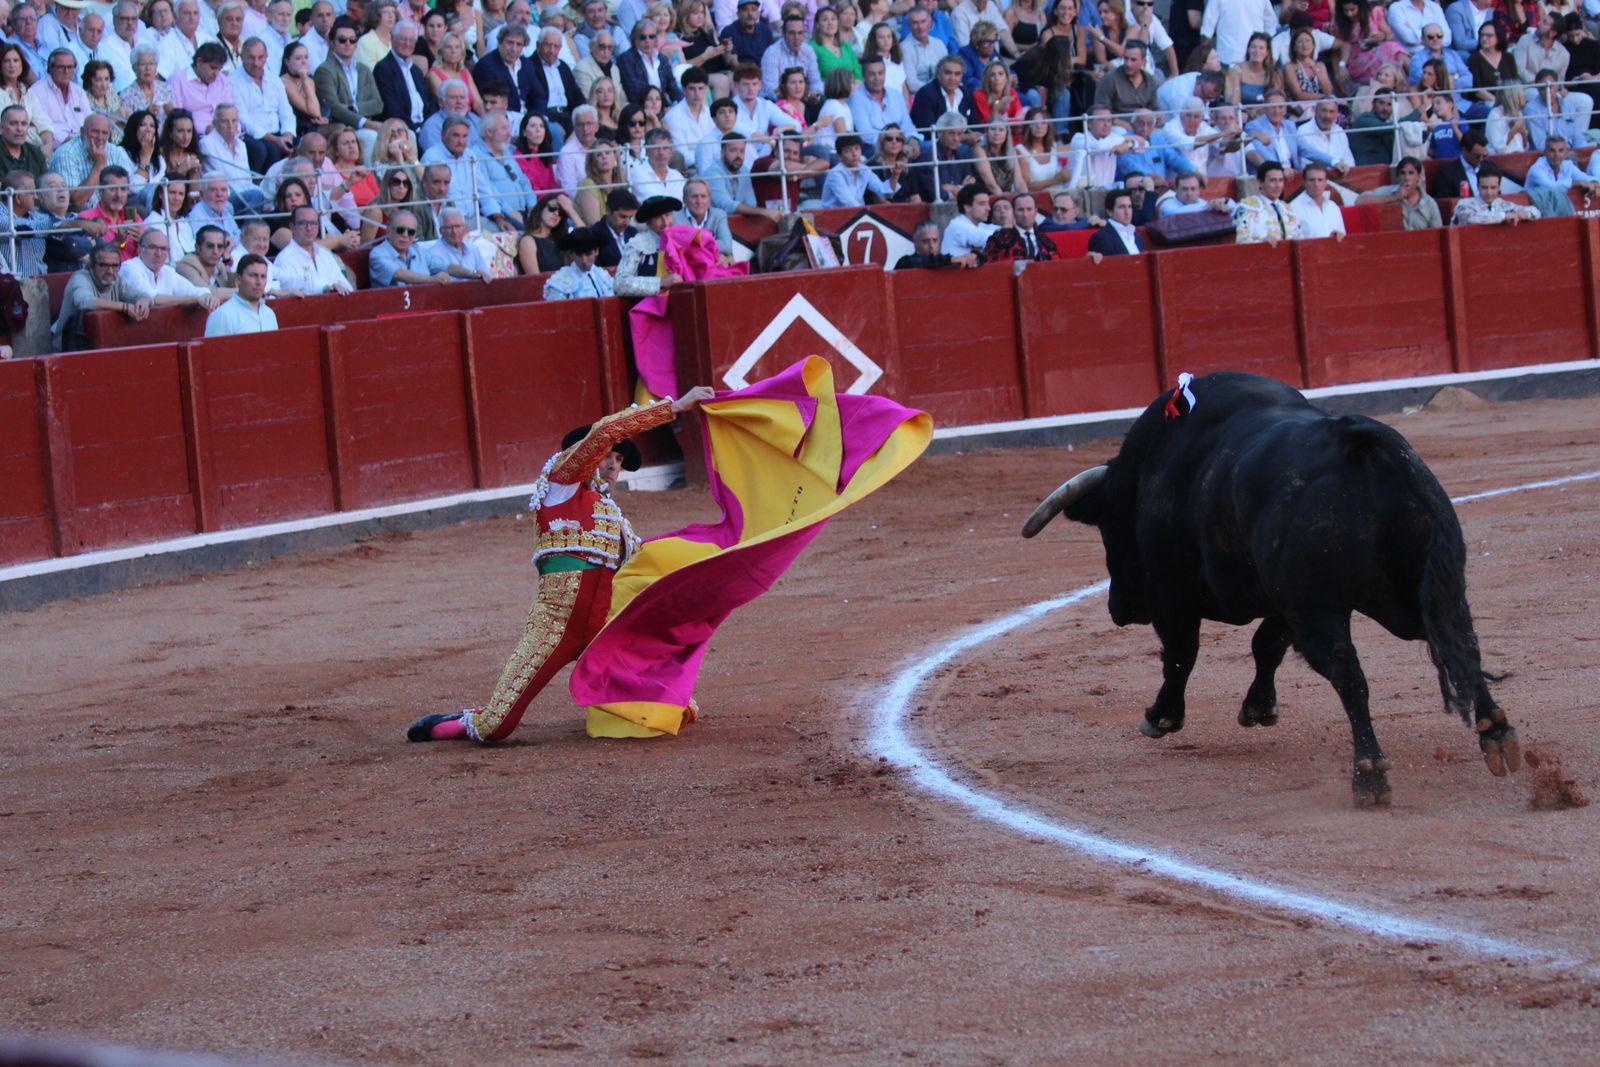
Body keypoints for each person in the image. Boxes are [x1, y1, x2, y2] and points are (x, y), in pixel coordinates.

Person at [405, 385, 715, 745]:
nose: (613, 464)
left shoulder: (617, 524)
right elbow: (604, 433)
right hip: (555, 626)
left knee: (676, 708)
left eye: (618, 460)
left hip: (604, 631)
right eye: (606, 456)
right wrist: (674, 407)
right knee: (495, 727)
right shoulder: (561, 483)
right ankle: (451, 723)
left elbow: (641, 569)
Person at [53, 239, 150, 352]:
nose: (110, 271)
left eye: (115, 266)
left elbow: (139, 294)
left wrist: (144, 300)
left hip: (103, 349)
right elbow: (85, 302)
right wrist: (125, 307)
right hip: (68, 351)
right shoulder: (80, 277)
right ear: (92, 266)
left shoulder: (117, 279)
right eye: (104, 265)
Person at [315, 18, 383, 146]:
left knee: (407, 134)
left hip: (362, 126)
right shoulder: (324, 70)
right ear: (332, 42)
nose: (348, 43)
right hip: (340, 128)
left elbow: (378, 104)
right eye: (342, 40)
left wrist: (353, 107)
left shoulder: (364, 70)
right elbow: (333, 107)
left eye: (352, 40)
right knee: (370, 137)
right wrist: (365, 122)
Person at [118, 227, 225, 306]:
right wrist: (198, 299)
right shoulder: (130, 269)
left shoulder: (167, 271)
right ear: (140, 250)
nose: (159, 253)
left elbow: (196, 290)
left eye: (163, 249)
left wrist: (206, 296)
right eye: (153, 247)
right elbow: (155, 299)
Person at [614, 193, 683, 295]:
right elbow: (620, 285)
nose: (665, 222)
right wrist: (660, 282)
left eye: (668, 215)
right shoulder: (637, 245)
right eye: (658, 218)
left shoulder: (681, 239)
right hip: (648, 306)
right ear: (648, 223)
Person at [274, 203, 353, 291]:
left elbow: (347, 288)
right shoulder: (284, 260)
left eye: (313, 223)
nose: (309, 228)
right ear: (292, 227)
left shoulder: (325, 254)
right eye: (303, 223)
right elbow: (291, 297)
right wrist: (326, 289)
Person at [374, 20, 434, 129]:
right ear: (392, 39)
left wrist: (429, 125)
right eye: (403, 39)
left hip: (424, 126)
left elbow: (428, 103)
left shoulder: (416, 71)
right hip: (402, 128)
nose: (407, 44)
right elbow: (391, 108)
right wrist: (414, 129)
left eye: (411, 40)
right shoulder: (383, 69)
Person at [203, 251, 276, 334]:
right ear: (238, 280)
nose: (259, 282)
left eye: (263, 276)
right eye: (253, 275)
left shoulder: (269, 314)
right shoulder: (222, 316)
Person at [368, 206, 444, 284]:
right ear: (388, 232)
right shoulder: (377, 254)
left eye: (411, 232)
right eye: (400, 230)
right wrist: (431, 279)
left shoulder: (419, 251)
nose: (405, 235)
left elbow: (445, 266)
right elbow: (398, 274)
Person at [1233, 159, 1301, 243]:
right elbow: (1242, 240)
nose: (1278, 186)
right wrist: (1262, 243)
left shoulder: (1288, 209)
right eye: (1272, 180)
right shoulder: (1247, 208)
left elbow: (1299, 238)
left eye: (1280, 180)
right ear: (1260, 182)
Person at [543, 225, 616, 297]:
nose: (584, 260)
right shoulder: (560, 283)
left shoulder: (603, 276)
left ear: (596, 251)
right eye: (579, 255)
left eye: (588, 254)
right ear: (571, 254)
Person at [982, 194, 1058, 261]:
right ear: (1014, 212)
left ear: (1035, 212)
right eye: (1020, 210)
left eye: (1029, 209)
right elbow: (992, 266)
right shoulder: (999, 238)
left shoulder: (1045, 240)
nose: (1025, 214)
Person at [1451, 168, 1539, 224]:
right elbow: (1473, 218)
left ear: (1499, 188)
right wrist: (1504, 216)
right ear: (1478, 187)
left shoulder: (1504, 205)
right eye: (1484, 188)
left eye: (1493, 188)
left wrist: (1523, 214)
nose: (1489, 192)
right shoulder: (1464, 204)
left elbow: (1536, 212)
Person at [676, 176, 732, 258]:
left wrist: (692, 244)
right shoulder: (675, 217)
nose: (699, 201)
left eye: (703, 196)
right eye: (694, 196)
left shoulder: (719, 215)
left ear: (709, 200)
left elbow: (726, 246)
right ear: (684, 200)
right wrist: (710, 243)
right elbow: (676, 247)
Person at [1289, 160, 1346, 239]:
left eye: (1320, 180)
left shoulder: (1333, 207)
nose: (1316, 184)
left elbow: (1343, 235)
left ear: (1326, 183)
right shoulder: (1293, 208)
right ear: (1304, 182)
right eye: (1312, 180)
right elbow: (1293, 241)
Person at [939, 181, 997, 256]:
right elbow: (987, 237)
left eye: (988, 203)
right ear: (967, 207)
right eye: (982, 204)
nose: (988, 208)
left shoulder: (979, 225)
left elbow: (998, 230)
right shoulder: (957, 225)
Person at [1087, 185, 1144, 257]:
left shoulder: (1136, 236)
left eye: (1129, 207)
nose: (1127, 212)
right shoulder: (1101, 238)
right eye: (1122, 207)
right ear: (1109, 212)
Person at [175, 221, 238, 286]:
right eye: (210, 246)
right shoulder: (186, 265)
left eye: (220, 246)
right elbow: (205, 292)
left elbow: (237, 288)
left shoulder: (219, 266)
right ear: (198, 248)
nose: (215, 251)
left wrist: (226, 258)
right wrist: (235, 291)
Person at [588, 186, 637, 267]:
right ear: (608, 210)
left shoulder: (633, 232)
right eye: (622, 217)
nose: (627, 223)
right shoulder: (594, 235)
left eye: (630, 217)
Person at [1159, 169, 1233, 215]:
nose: (1189, 193)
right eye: (1184, 189)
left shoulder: (1203, 203)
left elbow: (1234, 207)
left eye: (1193, 189)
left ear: (1199, 190)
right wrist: (1208, 207)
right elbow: (1176, 213)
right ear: (1176, 189)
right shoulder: (1167, 204)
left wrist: (1223, 205)